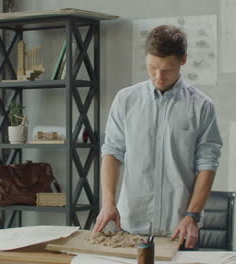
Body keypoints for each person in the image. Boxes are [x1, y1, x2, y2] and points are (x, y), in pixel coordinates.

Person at [93, 25, 223, 249]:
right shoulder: (125, 100)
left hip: (178, 230)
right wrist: (108, 204)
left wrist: (192, 215)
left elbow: (207, 165)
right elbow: (112, 153)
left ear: (183, 60)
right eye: (152, 68)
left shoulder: (202, 107)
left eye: (167, 69)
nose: (158, 76)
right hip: (128, 228)